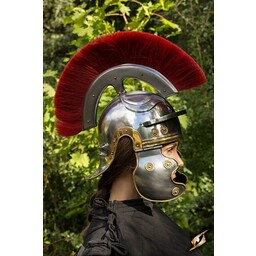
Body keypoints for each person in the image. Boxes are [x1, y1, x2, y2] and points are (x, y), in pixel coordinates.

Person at [54, 31, 207, 255]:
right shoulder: (105, 247)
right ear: (133, 154)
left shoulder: (145, 213)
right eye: (170, 149)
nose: (179, 161)